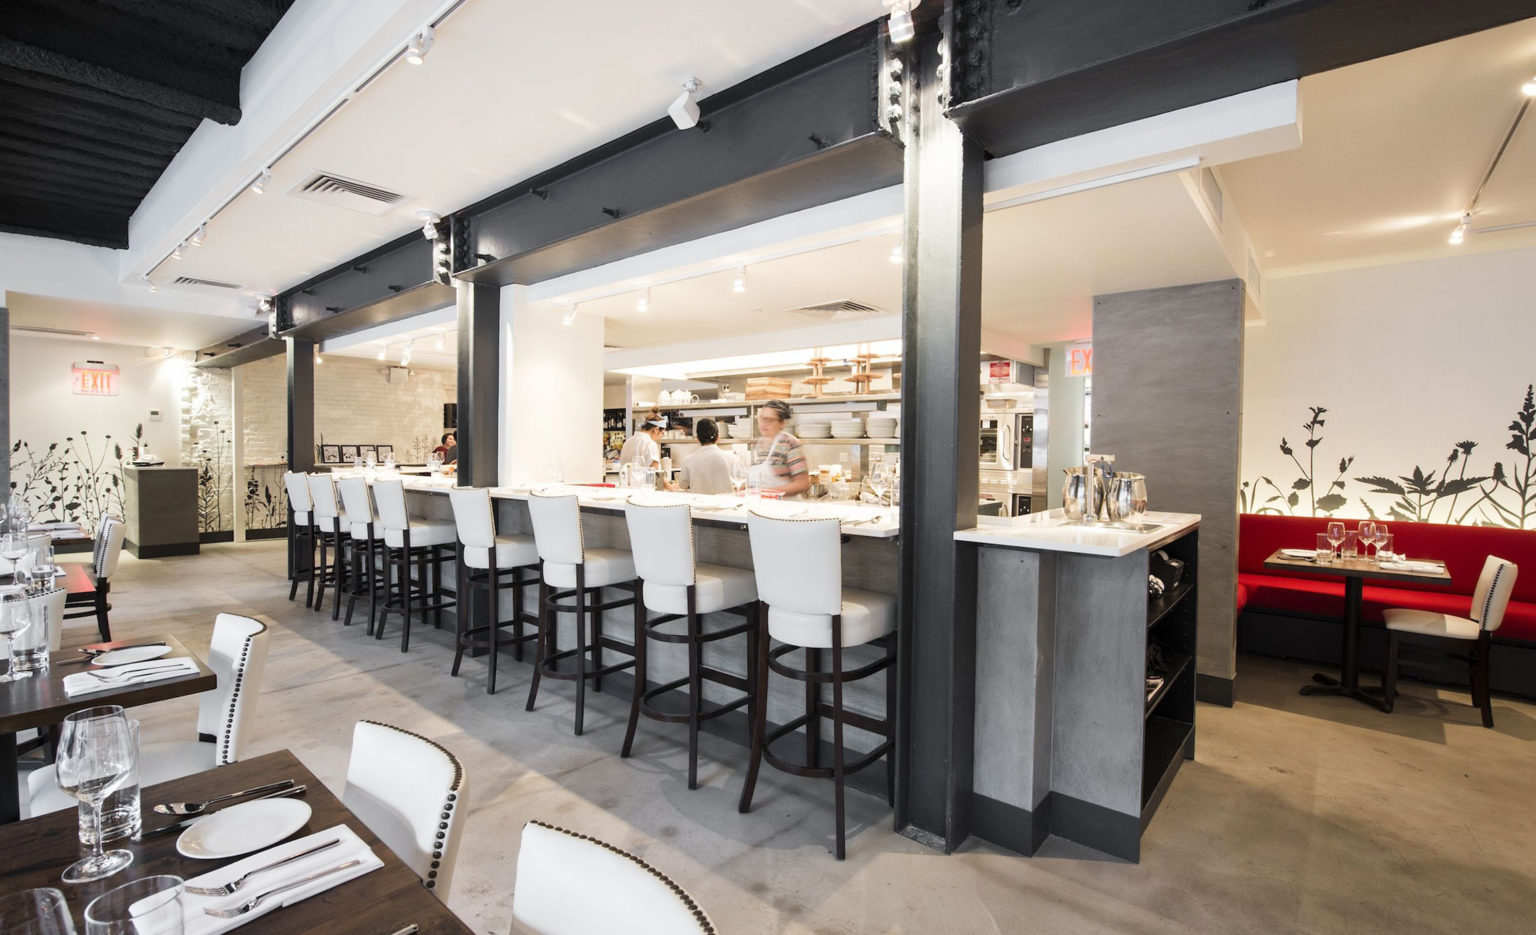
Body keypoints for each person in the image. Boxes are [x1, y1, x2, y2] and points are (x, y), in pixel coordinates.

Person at [750, 399, 809, 497]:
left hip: (784, 504)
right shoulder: (758, 445)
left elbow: (802, 484)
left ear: (782, 423)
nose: (763, 423)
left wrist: (767, 493)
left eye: (769, 420)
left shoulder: (789, 443)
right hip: (761, 502)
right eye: (761, 418)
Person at [667, 419, 739, 495]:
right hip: (726, 502)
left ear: (697, 438)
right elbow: (741, 482)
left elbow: (683, 485)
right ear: (718, 437)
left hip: (699, 502)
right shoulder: (732, 458)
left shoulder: (688, 460)